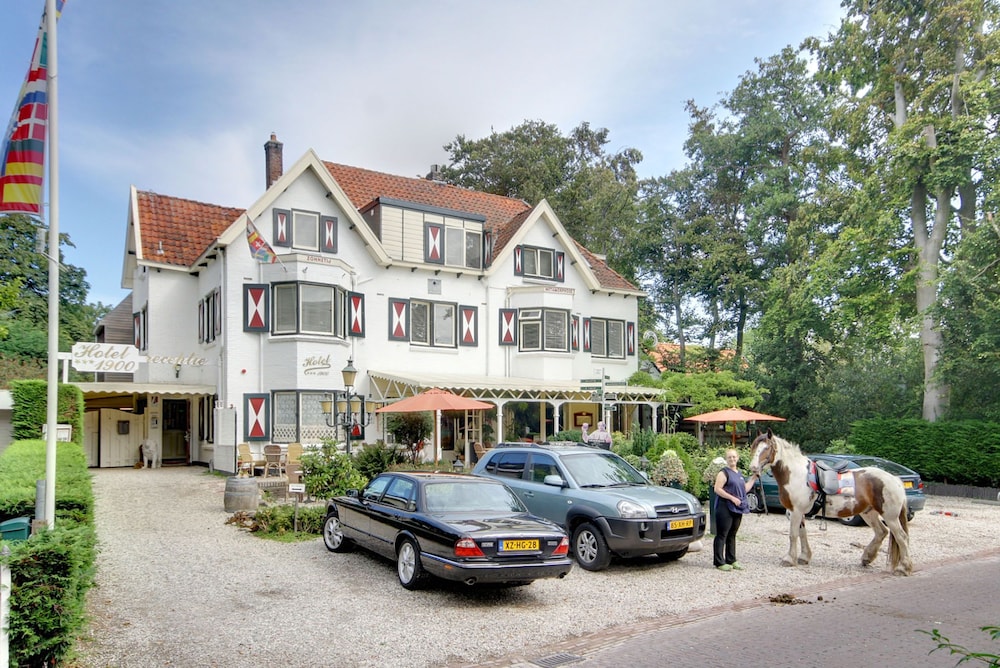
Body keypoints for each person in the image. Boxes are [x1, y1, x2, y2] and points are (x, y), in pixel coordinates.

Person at [713, 448, 758, 571]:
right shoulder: (723, 473)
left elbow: (744, 489)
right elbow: (717, 489)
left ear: (737, 458)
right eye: (729, 457)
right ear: (726, 459)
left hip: (737, 508)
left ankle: (731, 560)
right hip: (724, 507)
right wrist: (732, 498)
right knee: (722, 534)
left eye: (734, 457)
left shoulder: (739, 474)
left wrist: (754, 478)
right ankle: (719, 562)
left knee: (732, 534)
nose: (732, 459)